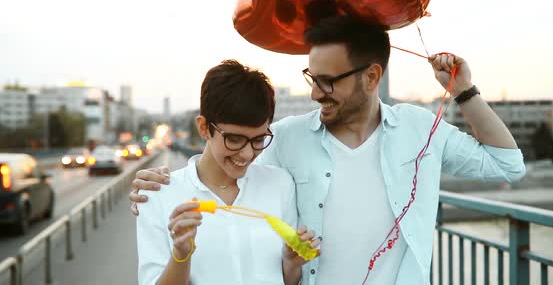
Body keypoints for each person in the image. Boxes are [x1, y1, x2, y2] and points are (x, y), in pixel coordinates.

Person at [131, 15, 526, 285]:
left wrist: (463, 91)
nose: (314, 92)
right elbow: (227, 165)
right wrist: (165, 184)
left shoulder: (421, 128)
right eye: (311, 77)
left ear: (371, 77)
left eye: (326, 80)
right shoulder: (284, 137)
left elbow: (508, 166)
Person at [136, 60, 319, 285]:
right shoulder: (159, 195)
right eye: (234, 139)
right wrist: (181, 255)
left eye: (258, 140)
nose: (246, 154)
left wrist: (291, 264)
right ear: (204, 128)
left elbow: (287, 280)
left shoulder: (281, 184)